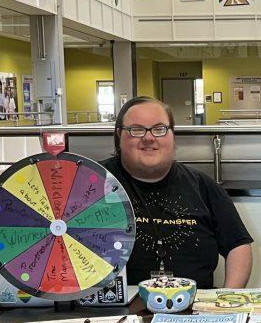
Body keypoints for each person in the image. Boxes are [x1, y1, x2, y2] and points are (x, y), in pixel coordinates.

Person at [102, 96, 253, 289]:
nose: (149, 138)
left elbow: (238, 245)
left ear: (172, 135)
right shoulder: (93, 184)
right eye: (137, 130)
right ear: (119, 136)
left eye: (159, 129)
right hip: (115, 310)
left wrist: (227, 298)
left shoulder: (202, 185)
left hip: (195, 311)